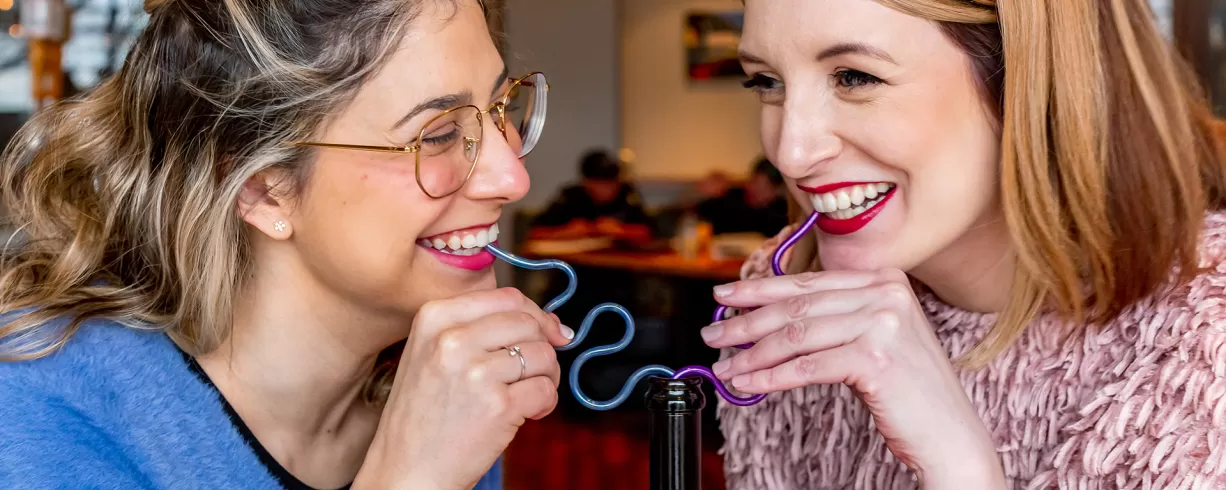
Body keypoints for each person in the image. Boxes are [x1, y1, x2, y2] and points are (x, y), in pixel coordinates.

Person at [0, 0, 571, 489]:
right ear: (262, 190)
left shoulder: (453, 390)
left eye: (501, 107)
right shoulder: (39, 419)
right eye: (439, 135)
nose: (512, 177)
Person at [699, 0, 1226, 488]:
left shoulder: (1204, 341)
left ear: (1022, 79)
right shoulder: (784, 303)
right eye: (766, 81)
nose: (790, 153)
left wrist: (962, 470)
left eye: (855, 77)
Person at [528, 149, 653, 243]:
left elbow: (651, 233)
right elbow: (535, 233)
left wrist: (620, 230)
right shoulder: (571, 196)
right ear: (586, 181)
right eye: (601, 183)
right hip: (576, 265)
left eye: (612, 182)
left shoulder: (627, 193)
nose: (608, 188)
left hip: (620, 266)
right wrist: (566, 232)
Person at [695, 157, 789, 236]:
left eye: (764, 187)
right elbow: (697, 214)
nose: (755, 189)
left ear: (777, 190)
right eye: (754, 181)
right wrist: (702, 192)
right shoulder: (732, 196)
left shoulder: (781, 212)